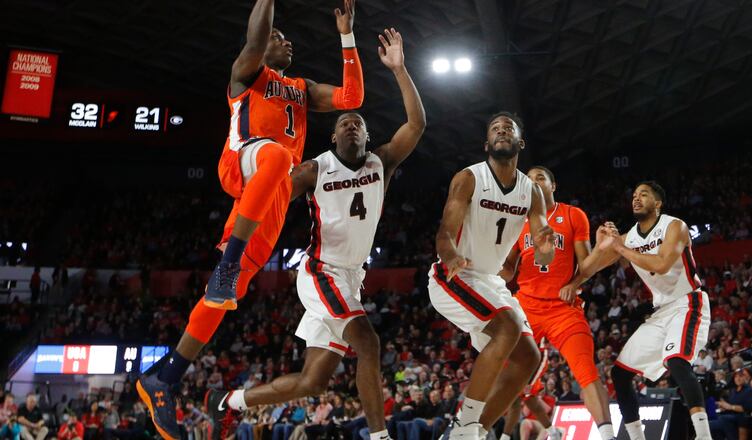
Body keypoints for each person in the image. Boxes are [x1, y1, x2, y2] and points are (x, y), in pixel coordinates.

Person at [136, 1, 365, 439]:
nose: (287, 41)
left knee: (225, 296)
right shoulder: (247, 74)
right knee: (277, 155)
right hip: (243, 160)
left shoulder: (302, 87)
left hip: (271, 196)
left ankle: (163, 379)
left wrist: (347, 35)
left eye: (286, 38)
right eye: (279, 38)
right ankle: (228, 261)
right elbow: (256, 40)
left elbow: (352, 98)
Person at [204, 27, 424, 440]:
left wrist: (399, 69)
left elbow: (417, 123)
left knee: (312, 383)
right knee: (369, 343)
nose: (352, 127)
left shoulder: (382, 164)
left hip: (350, 279)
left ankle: (227, 402)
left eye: (358, 123)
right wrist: (236, 244)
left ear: (368, 136)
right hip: (321, 272)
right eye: (343, 124)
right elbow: (268, 200)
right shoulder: (314, 170)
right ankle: (380, 437)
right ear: (332, 136)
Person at [428, 112, 554, 439]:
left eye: (507, 128)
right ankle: (465, 425)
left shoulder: (532, 191)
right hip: (453, 275)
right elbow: (444, 233)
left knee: (528, 358)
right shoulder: (469, 178)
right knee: (507, 329)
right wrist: (452, 255)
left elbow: (544, 252)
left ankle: (477, 431)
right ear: (487, 144)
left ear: (519, 142)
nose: (501, 131)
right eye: (495, 129)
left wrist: (544, 246)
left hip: (491, 282)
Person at [570, 181, 713, 440]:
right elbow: (590, 268)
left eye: (643, 195)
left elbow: (662, 264)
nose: (636, 199)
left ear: (657, 203)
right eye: (634, 195)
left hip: (687, 303)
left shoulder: (674, 226)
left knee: (678, 362)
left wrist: (621, 248)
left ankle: (704, 435)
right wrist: (573, 280)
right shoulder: (629, 237)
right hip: (660, 312)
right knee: (620, 373)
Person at [500, 166, 615, 440]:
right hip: (526, 306)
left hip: (563, 309)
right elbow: (507, 271)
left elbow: (586, 265)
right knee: (503, 373)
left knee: (586, 371)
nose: (534, 182)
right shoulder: (517, 220)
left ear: (553, 185)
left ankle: (608, 435)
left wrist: (579, 277)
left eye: (540, 177)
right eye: (529, 179)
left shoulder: (573, 215)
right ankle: (481, 432)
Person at [709, 369, 752, 440]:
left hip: (742, 416)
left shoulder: (750, 391)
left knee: (724, 419)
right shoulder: (733, 391)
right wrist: (723, 407)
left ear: (745, 377)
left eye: (740, 376)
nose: (738, 378)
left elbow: (748, 408)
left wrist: (730, 407)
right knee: (710, 424)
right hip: (729, 415)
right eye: (736, 377)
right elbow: (728, 405)